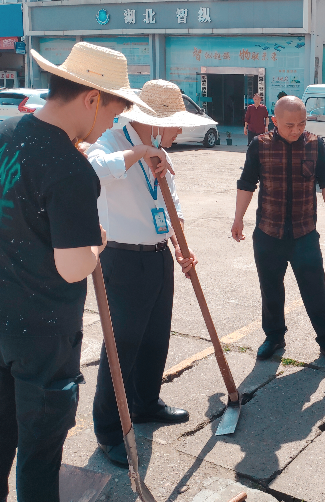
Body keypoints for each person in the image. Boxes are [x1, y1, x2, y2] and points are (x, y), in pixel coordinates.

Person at [0, 42, 148, 502]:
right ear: (90, 98)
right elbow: (72, 268)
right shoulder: (69, 168)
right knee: (41, 448)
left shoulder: (1, 134)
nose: (107, 127)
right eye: (110, 116)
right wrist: (96, 244)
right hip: (40, 333)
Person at [85, 79, 197, 468]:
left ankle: (146, 402)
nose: (180, 131)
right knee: (121, 347)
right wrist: (141, 151)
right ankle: (110, 432)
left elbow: (170, 200)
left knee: (155, 337)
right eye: (175, 123)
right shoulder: (113, 141)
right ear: (154, 121)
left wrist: (181, 244)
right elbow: (95, 170)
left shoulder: (161, 152)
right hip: (121, 258)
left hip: (158, 255)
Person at [231, 96, 325, 369]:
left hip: (304, 234)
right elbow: (247, 183)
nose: (296, 130)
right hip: (268, 233)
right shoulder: (259, 146)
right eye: (289, 125)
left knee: (315, 289)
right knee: (270, 290)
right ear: (274, 122)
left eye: (302, 123)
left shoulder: (315, 144)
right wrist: (238, 219)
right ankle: (274, 337)